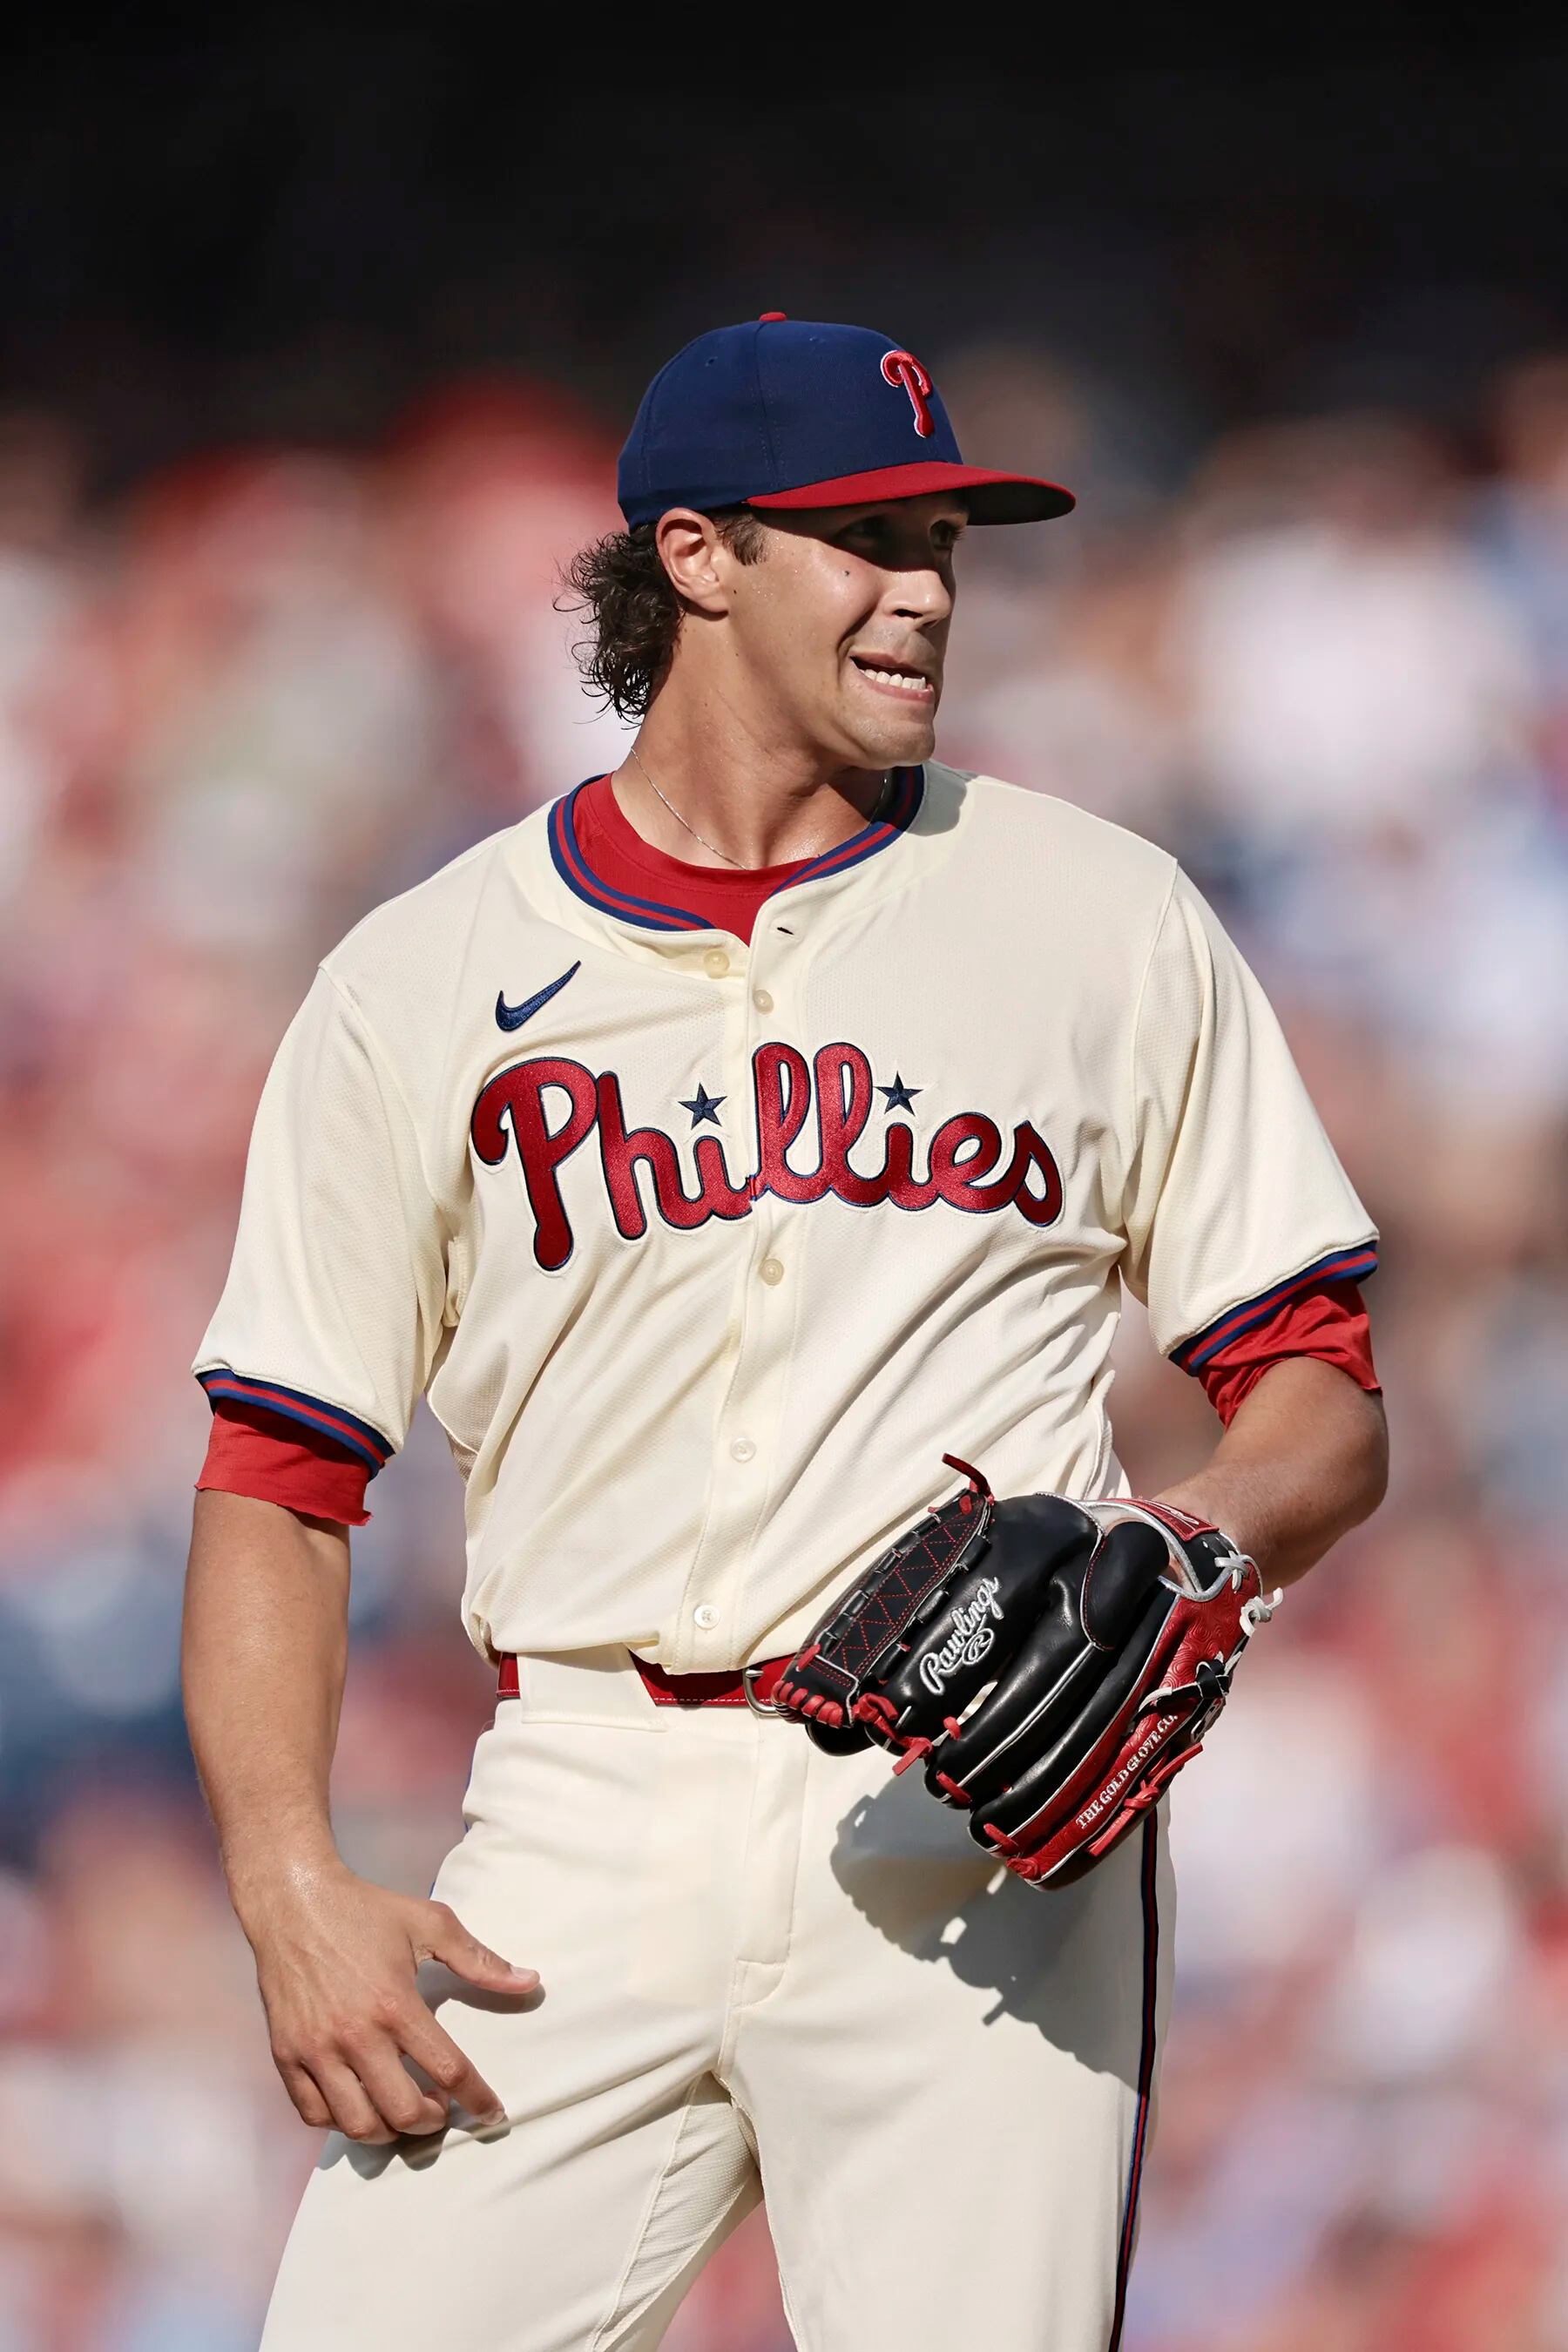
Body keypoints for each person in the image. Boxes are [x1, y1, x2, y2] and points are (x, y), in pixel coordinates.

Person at [182, 314, 1388, 2351]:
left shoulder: (1102, 916)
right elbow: (280, 1481)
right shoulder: (422, 976)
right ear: (696, 557)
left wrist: (1199, 1540)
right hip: (578, 1811)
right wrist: (292, 1883)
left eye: (944, 537)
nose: (925, 584)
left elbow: (1320, 1398)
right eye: (864, 535)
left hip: (973, 1837)